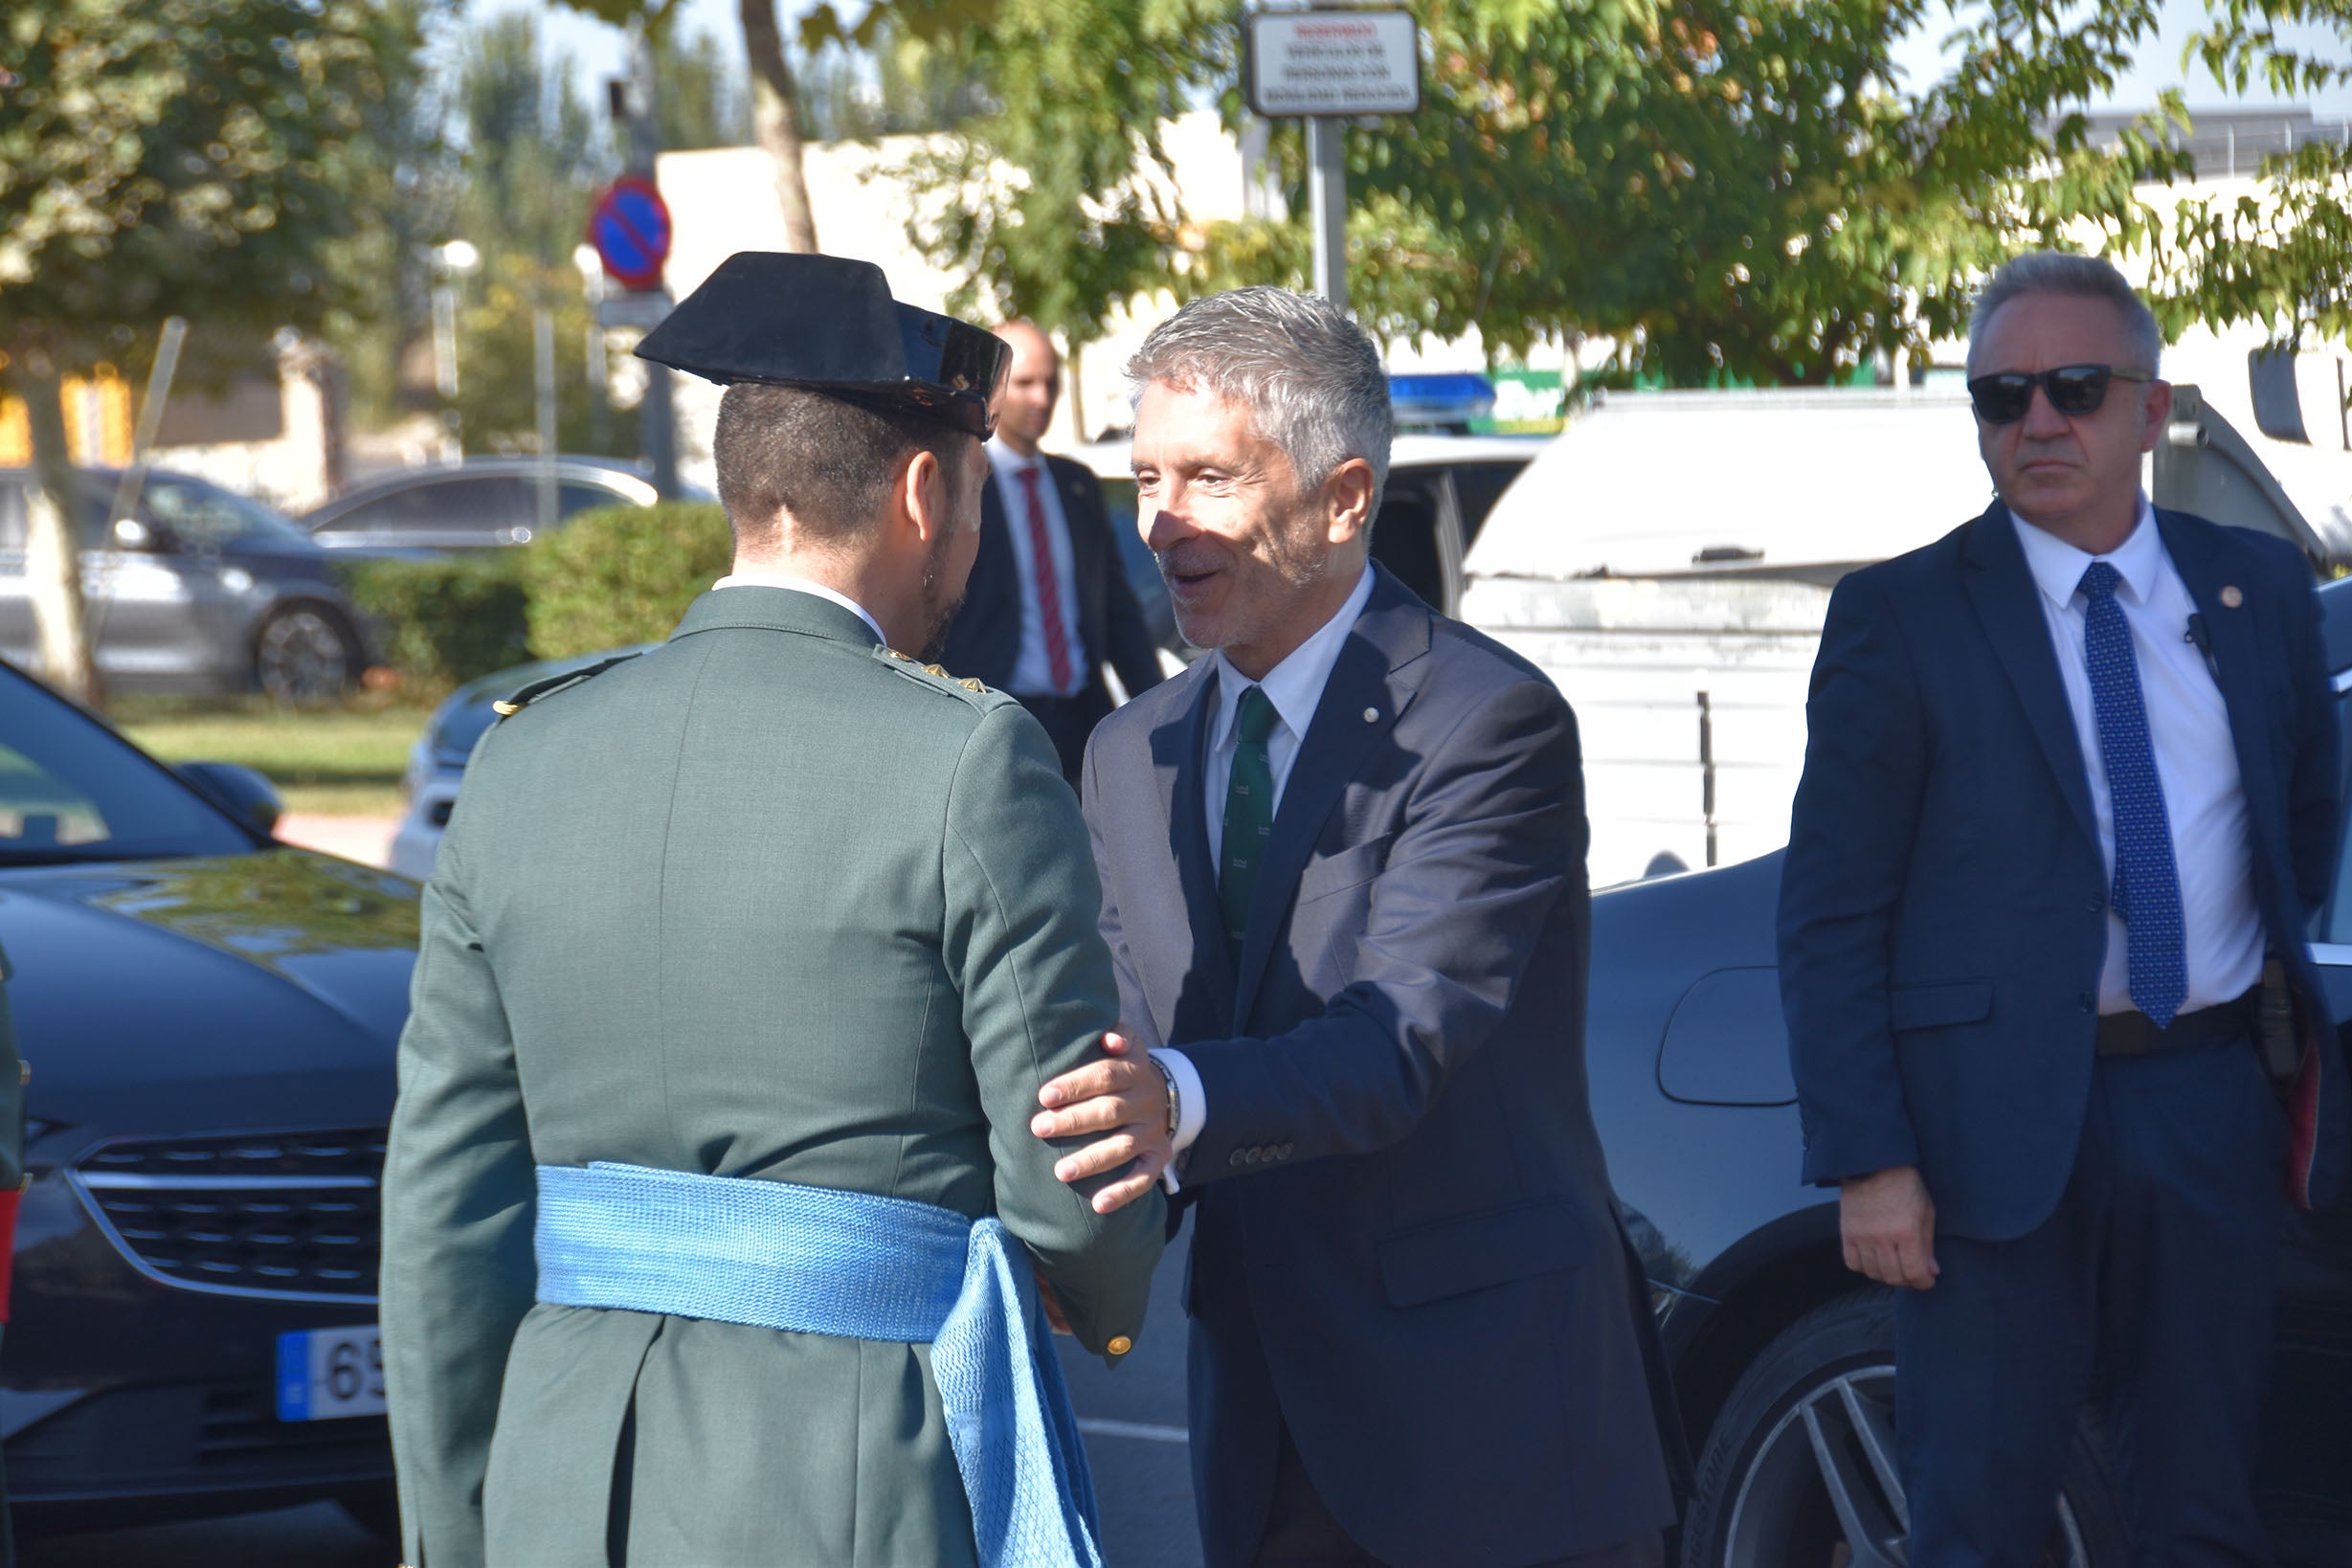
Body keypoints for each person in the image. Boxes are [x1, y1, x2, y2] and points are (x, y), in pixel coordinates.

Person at [380, 253, 1169, 1568]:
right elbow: (1067, 1174)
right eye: (971, 502)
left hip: (570, 1472)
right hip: (857, 1469)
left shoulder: (522, 755)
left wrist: (464, 1520)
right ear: (924, 490)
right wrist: (1109, 1284)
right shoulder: (969, 758)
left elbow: (442, 1209)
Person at [1028, 286, 1678, 1568]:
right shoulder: (1126, 751)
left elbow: (1395, 1043)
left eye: (1209, 477)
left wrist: (1165, 1097)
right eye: (1145, 476)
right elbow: (1112, 1040)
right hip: (1262, 1430)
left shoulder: (1488, 720)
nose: (1160, 523)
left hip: (1488, 1420)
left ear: (1341, 499)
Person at [1779, 251, 2344, 1564]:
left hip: (2206, 1101)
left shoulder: (2256, 593)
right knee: (1976, 1513)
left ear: (2149, 410)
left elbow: (2299, 820)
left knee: (2204, 1508)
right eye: (2000, 396)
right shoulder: (1900, 615)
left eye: (2074, 388)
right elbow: (1830, 908)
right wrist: (1871, 1158)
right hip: (1985, 1133)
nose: (2037, 422)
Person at [941, 319, 1167, 782]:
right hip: (995, 720)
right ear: (992, 387)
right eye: (1025, 384)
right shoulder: (961, 485)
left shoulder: (1075, 486)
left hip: (1084, 721)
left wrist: (1160, 714)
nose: (1042, 399)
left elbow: (1117, 610)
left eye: (1050, 383)